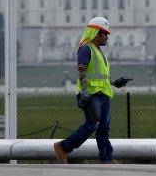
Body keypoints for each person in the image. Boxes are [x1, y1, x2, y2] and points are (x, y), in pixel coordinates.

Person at [53, 16, 131, 164]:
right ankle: (63, 147)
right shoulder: (86, 48)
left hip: (103, 93)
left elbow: (99, 76)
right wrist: (84, 91)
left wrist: (116, 82)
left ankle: (106, 158)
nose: (107, 37)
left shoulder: (99, 51)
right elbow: (81, 70)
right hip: (90, 94)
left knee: (103, 128)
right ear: (97, 33)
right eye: (105, 34)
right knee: (92, 124)